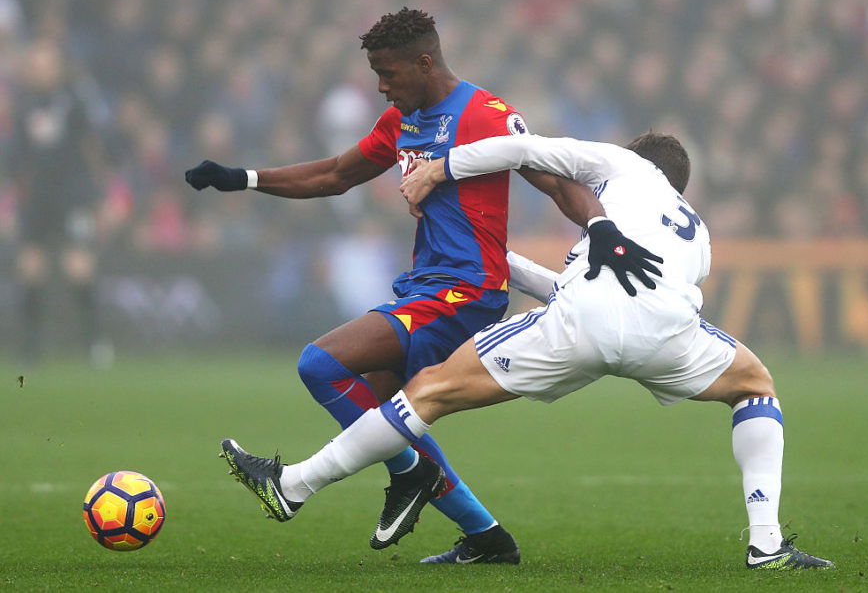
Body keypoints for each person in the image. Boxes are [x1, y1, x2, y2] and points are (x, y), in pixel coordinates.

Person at [220, 131, 835, 570]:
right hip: (667, 332)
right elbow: (615, 293)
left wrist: (440, 169)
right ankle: (767, 544)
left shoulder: (622, 166)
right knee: (756, 386)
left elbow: (521, 148)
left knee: (426, 393)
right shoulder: (696, 230)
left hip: (580, 325)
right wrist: (505, 262)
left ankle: (295, 485)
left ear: (634, 156)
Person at [187, 8, 657, 563]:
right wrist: (244, 179)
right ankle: (487, 539)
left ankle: (397, 475)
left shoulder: (487, 114)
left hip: (466, 291)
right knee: (386, 417)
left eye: (388, 74)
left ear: (425, 63)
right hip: (425, 286)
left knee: (320, 364)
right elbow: (335, 174)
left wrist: (600, 227)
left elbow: (554, 180)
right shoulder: (401, 121)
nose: (381, 88)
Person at [11, 38, 112, 367]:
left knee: (78, 267)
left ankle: (95, 342)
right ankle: (31, 347)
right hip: (37, 197)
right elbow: (19, 158)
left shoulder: (74, 100)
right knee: (30, 268)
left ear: (58, 67)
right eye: (35, 65)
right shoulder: (24, 104)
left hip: (72, 195)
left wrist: (100, 196)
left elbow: (91, 147)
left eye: (46, 65)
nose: (40, 71)